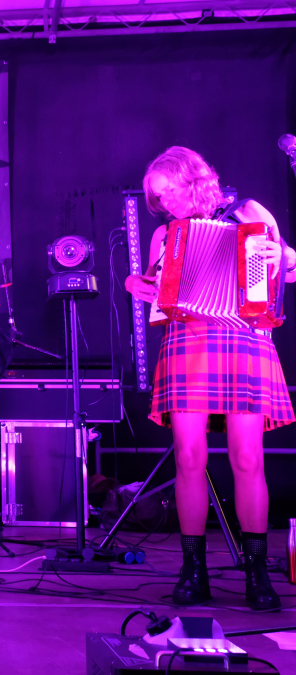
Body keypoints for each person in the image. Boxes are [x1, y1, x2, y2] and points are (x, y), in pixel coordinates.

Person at [125, 145, 295, 611]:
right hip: (187, 340)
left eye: (169, 191)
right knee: (189, 458)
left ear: (193, 180)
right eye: (158, 197)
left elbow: (290, 270)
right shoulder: (166, 234)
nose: (165, 203)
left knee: (248, 458)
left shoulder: (249, 212)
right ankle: (193, 569)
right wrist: (134, 284)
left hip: (245, 338)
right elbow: (155, 290)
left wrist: (281, 257)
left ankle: (256, 571)